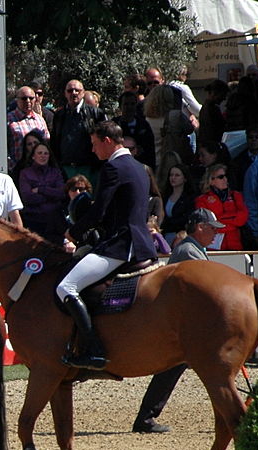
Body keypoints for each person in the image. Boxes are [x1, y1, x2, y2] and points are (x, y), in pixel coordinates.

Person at [57, 121, 157, 370]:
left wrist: (73, 231)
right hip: (142, 242)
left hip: (123, 245)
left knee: (66, 287)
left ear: (107, 141)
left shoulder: (114, 167)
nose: (93, 150)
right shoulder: (138, 166)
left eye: (94, 144)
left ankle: (94, 350)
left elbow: (99, 211)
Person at [132, 208, 225, 433]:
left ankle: (146, 417)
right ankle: (227, 414)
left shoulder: (194, 249)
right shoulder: (188, 251)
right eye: (212, 229)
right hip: (179, 326)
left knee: (177, 367)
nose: (215, 234)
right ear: (200, 227)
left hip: (181, 325)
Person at [51, 79, 107, 183]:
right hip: (65, 168)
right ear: (65, 93)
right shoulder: (59, 115)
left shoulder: (95, 114)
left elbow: (102, 140)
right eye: (70, 90)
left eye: (77, 90)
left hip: (89, 168)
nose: (74, 93)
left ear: (83, 92)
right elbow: (54, 140)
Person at [18, 141, 66, 242]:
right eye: (39, 153)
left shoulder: (55, 173)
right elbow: (27, 198)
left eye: (46, 153)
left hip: (54, 221)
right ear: (33, 156)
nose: (43, 156)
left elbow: (61, 194)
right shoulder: (25, 174)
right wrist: (51, 195)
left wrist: (41, 189)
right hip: (33, 220)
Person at [194, 164, 249, 251]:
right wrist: (232, 223)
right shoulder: (202, 200)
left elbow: (242, 218)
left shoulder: (236, 195)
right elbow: (206, 224)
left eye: (225, 176)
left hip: (236, 245)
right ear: (211, 181)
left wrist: (220, 220)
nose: (225, 179)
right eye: (221, 177)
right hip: (213, 248)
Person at [7, 85, 49, 171]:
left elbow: (46, 142)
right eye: (24, 98)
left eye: (31, 98)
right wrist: (12, 166)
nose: (28, 101)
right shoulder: (8, 119)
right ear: (17, 100)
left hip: (38, 170)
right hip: (18, 169)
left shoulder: (40, 119)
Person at [113, 91, 156, 169]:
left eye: (132, 104)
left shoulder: (144, 124)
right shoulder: (114, 124)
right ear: (120, 106)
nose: (129, 107)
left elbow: (151, 149)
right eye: (126, 104)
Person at [159, 163, 196, 245]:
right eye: (171, 175)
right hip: (165, 235)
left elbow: (187, 218)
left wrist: (168, 223)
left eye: (177, 175)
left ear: (185, 178)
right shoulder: (165, 196)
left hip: (180, 236)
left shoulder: (189, 198)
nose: (173, 178)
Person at [197, 79, 228, 147]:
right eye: (223, 95)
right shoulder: (212, 109)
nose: (224, 98)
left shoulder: (206, 107)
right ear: (214, 93)